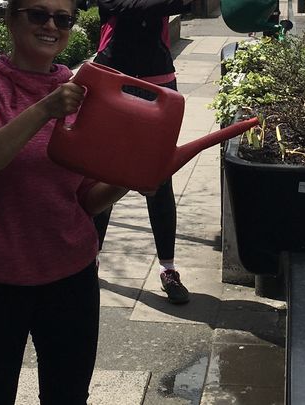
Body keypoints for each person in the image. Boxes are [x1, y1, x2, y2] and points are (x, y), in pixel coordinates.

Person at [0, 0, 131, 403]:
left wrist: (130, 178)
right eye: (38, 14)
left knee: (68, 396)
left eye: (63, 19)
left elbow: (86, 198)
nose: (51, 25)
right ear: (10, 18)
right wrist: (44, 109)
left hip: (70, 279)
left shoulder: (81, 91)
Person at [93, 0, 195, 305]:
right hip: (110, 80)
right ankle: (88, 260)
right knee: (101, 174)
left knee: (159, 178)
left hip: (158, 84)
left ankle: (168, 269)